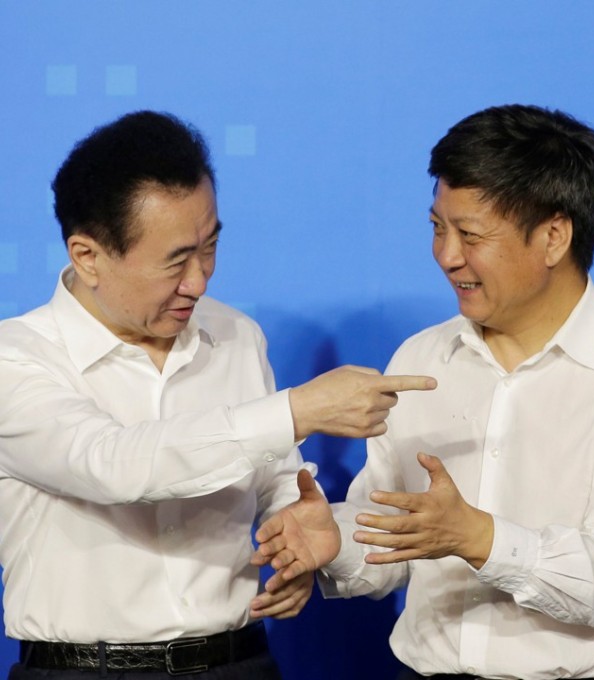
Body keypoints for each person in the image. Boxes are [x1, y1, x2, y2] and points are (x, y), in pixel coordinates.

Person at [252, 104, 594, 680]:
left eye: (470, 234)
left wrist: (479, 537)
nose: (446, 256)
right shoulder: (421, 359)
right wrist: (335, 540)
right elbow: (390, 536)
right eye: (438, 227)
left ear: (553, 236)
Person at [0, 110, 435, 679]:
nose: (200, 281)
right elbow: (111, 463)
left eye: (209, 246)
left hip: (239, 662)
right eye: (176, 260)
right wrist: (300, 409)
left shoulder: (235, 336)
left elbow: (275, 477)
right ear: (88, 257)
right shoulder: (16, 358)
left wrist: (295, 534)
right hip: (83, 669)